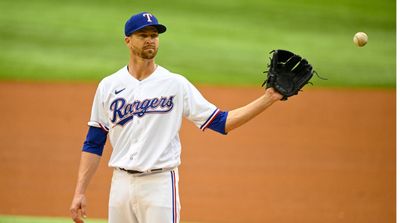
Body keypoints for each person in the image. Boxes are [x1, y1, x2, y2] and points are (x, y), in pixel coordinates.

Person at [70, 11, 283, 223]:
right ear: (128, 40)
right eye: (143, 35)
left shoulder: (175, 84)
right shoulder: (109, 85)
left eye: (154, 35)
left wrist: (268, 98)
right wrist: (80, 191)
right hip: (121, 185)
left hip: (159, 185)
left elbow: (221, 122)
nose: (150, 40)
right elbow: (94, 142)